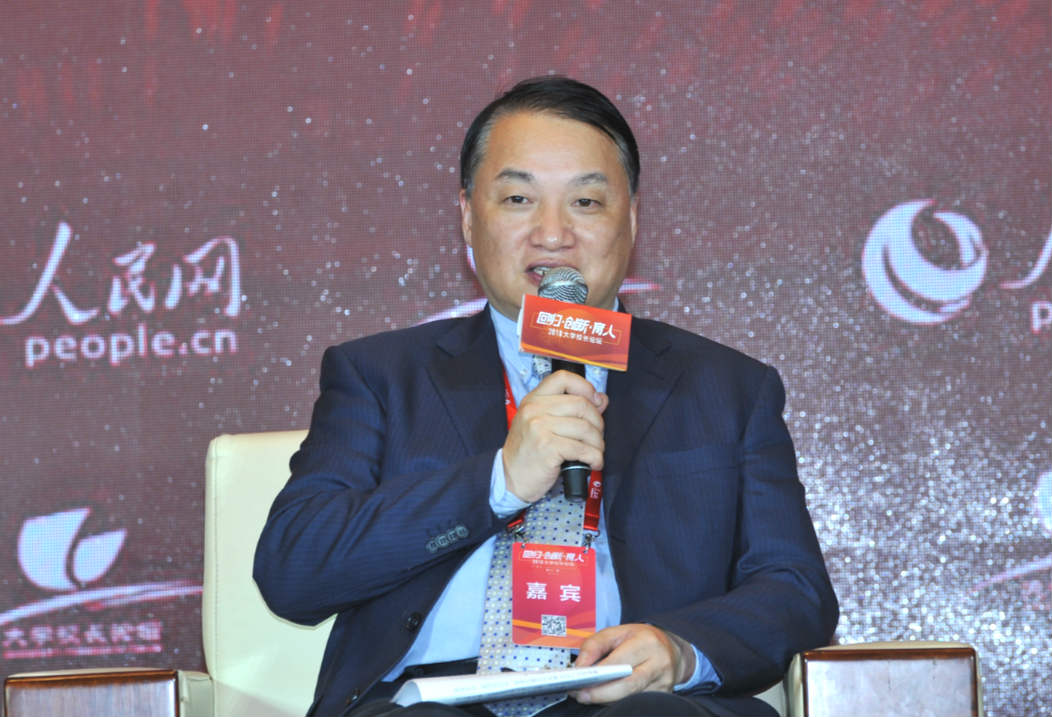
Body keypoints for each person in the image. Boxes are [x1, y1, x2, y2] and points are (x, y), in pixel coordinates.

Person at [253, 76, 838, 717]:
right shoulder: (380, 375)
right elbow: (293, 569)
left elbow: (796, 591)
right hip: (434, 700)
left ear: (631, 219)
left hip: (632, 698)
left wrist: (678, 650)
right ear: (468, 215)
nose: (553, 234)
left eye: (585, 202)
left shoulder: (727, 388)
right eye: (518, 198)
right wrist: (499, 481)